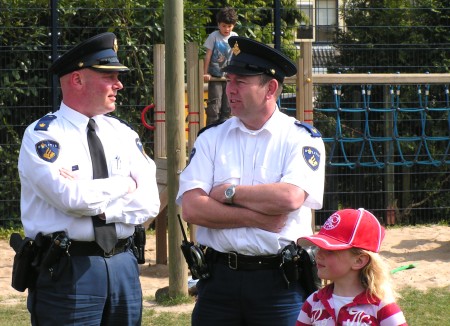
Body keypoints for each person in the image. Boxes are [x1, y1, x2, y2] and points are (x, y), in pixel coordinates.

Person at [177, 36, 326, 326]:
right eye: (229, 80)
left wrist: (227, 193)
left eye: (240, 82)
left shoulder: (301, 139)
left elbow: (289, 198)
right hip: (219, 280)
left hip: (279, 284)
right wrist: (258, 218)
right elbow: (193, 209)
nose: (228, 89)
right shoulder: (211, 138)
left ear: (270, 88)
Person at [18, 32, 160, 325]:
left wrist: (105, 206)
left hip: (124, 266)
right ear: (77, 80)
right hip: (70, 270)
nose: (119, 84)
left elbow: (149, 203)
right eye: (109, 76)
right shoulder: (44, 135)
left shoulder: (123, 133)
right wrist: (125, 184)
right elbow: (72, 199)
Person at [296, 208, 408, 325]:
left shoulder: (381, 307)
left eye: (329, 250)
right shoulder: (313, 302)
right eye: (318, 248)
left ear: (359, 261)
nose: (318, 255)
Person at [203, 7, 238, 125]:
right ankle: (211, 131)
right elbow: (208, 55)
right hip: (216, 77)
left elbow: (237, 54)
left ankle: (225, 133)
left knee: (228, 108)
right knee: (214, 106)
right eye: (224, 26)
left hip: (229, 77)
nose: (226, 29)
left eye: (229, 26)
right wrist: (206, 72)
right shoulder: (214, 36)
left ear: (233, 25)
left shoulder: (234, 37)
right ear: (218, 25)